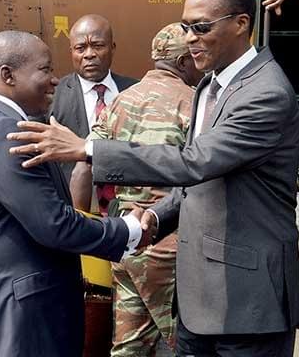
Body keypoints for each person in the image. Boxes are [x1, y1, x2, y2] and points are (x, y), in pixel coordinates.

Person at [7, 0, 299, 356]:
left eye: (200, 27)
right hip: (200, 302)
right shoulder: (209, 87)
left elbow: (196, 163)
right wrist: (159, 217)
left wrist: (89, 149)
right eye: (185, 27)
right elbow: (204, 183)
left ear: (241, 23)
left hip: (247, 303)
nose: (190, 38)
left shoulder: (265, 93)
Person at [0, 30, 154, 357]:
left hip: (17, 306)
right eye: (44, 70)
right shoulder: (5, 131)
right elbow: (53, 224)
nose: (54, 80)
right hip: (14, 316)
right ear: (7, 75)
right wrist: (127, 230)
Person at [70, 23, 202, 355]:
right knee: (187, 343)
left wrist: (81, 229)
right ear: (185, 62)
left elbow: (84, 163)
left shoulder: (119, 102)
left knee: (129, 345)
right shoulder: (194, 104)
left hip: (125, 242)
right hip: (169, 247)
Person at [49, 14, 138, 184]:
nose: (89, 54)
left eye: (97, 46)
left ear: (112, 48)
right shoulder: (54, 96)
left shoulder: (135, 91)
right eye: (80, 48)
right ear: (71, 52)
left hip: (126, 199)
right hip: (73, 200)